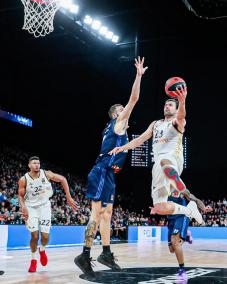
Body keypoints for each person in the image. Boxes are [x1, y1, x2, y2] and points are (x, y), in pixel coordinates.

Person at [74, 56, 148, 277]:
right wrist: (138, 75)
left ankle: (105, 252)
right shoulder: (118, 123)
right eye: (122, 109)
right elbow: (134, 98)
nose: (126, 111)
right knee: (96, 214)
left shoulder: (112, 129)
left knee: (107, 214)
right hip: (102, 171)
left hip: (109, 174)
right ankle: (84, 254)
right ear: (117, 114)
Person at [109, 84, 203, 224]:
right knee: (160, 207)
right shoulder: (155, 124)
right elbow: (140, 140)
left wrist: (182, 101)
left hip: (173, 159)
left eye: (171, 105)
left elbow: (182, 116)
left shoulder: (177, 122)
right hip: (158, 165)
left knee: (165, 162)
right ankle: (190, 210)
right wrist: (122, 148)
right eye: (166, 104)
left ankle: (186, 193)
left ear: (176, 110)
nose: (167, 106)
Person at [18, 156, 77, 273]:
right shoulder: (23, 179)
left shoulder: (46, 174)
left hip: (44, 207)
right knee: (34, 236)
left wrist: (68, 196)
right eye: (34, 163)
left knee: (45, 237)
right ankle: (33, 260)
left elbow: (63, 179)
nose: (37, 165)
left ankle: (42, 250)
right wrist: (23, 207)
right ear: (29, 165)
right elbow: (20, 195)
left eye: (38, 163)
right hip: (31, 208)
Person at [150, 190, 213, 280]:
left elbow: (195, 199)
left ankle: (182, 269)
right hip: (170, 219)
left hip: (181, 216)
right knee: (172, 249)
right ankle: (186, 236)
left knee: (175, 241)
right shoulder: (163, 189)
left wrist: (203, 208)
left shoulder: (181, 189)